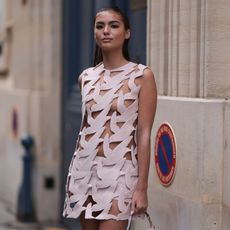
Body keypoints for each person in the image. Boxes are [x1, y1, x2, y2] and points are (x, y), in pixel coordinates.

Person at [63, 6, 157, 230]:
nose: (106, 31)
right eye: (100, 26)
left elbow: (144, 134)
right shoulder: (86, 77)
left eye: (114, 25)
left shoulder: (142, 76)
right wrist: (74, 176)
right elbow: (85, 129)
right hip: (84, 171)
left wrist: (141, 187)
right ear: (94, 33)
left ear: (127, 33)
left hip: (120, 174)